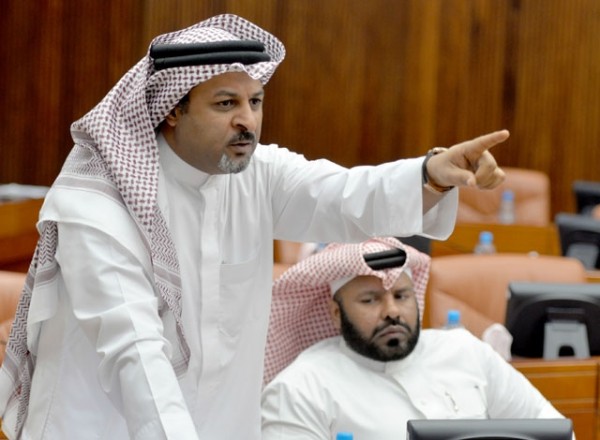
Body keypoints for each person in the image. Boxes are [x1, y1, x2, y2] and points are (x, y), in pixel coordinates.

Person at [0, 14, 509, 440]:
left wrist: (431, 175)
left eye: (256, 101)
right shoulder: (97, 204)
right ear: (172, 110)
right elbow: (133, 353)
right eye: (226, 104)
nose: (248, 120)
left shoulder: (256, 174)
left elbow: (347, 194)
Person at [261, 237, 572, 440]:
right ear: (335, 313)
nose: (392, 311)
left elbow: (553, 428)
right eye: (370, 300)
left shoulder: (467, 351)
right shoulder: (300, 389)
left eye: (401, 295)